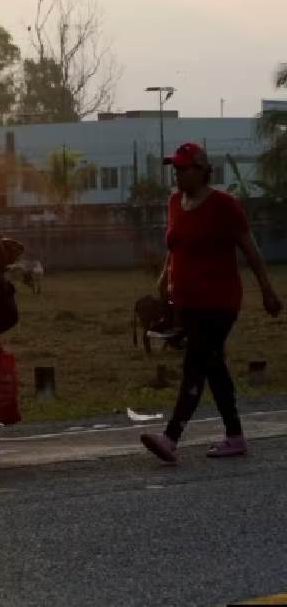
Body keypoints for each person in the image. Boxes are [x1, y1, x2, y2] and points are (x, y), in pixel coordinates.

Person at [141, 143, 283, 462]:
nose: (177, 174)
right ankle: (235, 436)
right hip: (187, 301)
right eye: (174, 169)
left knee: (195, 362)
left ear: (202, 170)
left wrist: (267, 290)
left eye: (183, 168)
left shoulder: (224, 205)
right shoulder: (175, 202)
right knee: (213, 366)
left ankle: (171, 437)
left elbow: (250, 249)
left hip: (220, 301)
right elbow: (175, 245)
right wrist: (165, 278)